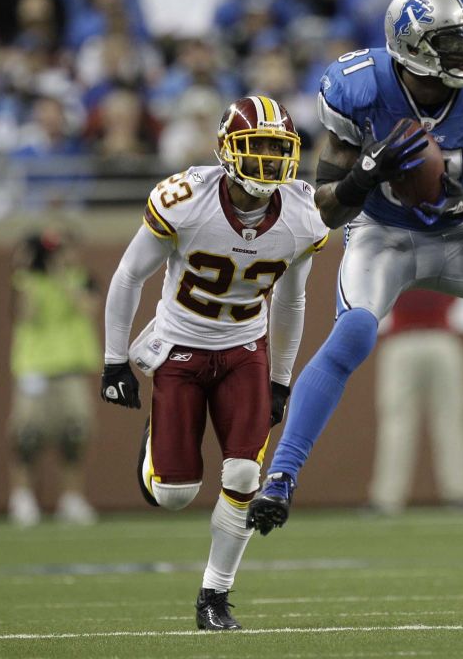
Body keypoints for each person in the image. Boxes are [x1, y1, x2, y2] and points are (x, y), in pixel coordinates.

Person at [247, 0, 463, 537]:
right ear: (412, 47)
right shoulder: (361, 88)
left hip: (460, 232)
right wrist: (365, 175)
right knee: (353, 333)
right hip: (385, 236)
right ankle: (281, 474)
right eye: (452, 42)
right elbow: (324, 210)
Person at [99, 96, 328, 631]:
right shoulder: (185, 198)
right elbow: (130, 274)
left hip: (245, 348)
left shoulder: (300, 213)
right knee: (173, 494)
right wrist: (114, 362)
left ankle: (214, 596)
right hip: (179, 345)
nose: (270, 162)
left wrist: (280, 378)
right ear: (227, 150)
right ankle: (158, 441)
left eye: (279, 150)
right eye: (258, 149)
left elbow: (292, 302)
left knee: (245, 470)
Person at [7, 226, 101, 528]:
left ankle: (71, 498)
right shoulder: (27, 281)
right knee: (26, 434)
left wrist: (61, 277)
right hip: (34, 368)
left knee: (75, 432)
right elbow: (25, 314)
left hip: (70, 369)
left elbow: (88, 309)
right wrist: (26, 271)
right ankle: (22, 497)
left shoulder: (83, 279)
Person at [369, 290, 463, 515]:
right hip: (437, 340)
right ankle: (461, 495)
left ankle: (387, 499)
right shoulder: (445, 256)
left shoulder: (393, 255)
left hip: (406, 342)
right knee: (447, 420)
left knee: (399, 422)